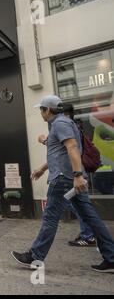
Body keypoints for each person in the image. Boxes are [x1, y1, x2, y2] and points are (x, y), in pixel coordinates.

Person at [11, 95, 114, 273]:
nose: (41, 113)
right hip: (70, 180)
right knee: (90, 218)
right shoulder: (64, 123)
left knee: (50, 217)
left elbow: (72, 148)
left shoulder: (60, 124)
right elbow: (60, 152)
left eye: (41, 109)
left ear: (48, 110)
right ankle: (111, 257)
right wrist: (43, 169)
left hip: (63, 180)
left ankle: (35, 256)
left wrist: (77, 175)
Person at [38, 103, 96, 247]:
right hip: (74, 177)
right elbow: (61, 151)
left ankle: (89, 235)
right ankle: (94, 238)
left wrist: (77, 175)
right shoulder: (71, 125)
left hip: (68, 177)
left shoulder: (63, 125)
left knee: (55, 213)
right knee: (82, 208)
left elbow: (68, 150)